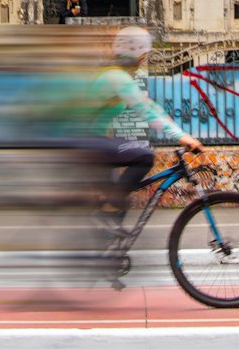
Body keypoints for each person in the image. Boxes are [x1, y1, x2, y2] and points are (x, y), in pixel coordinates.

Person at [86, 25, 203, 221]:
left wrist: (178, 131)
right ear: (135, 54)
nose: (143, 61)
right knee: (144, 157)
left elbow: (150, 106)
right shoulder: (117, 77)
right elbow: (145, 110)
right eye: (142, 56)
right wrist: (182, 136)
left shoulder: (118, 75)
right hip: (88, 144)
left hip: (93, 142)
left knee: (117, 199)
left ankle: (111, 246)